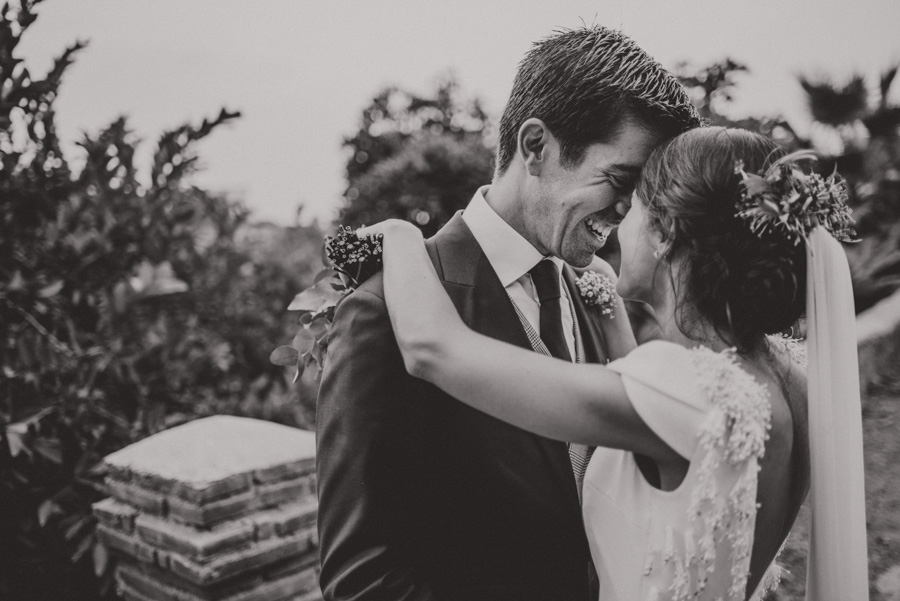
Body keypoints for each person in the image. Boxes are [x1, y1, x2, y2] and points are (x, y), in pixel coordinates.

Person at [358, 126, 870, 601]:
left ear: (664, 232)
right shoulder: (789, 378)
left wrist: (401, 237)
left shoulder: (687, 387)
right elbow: (668, 467)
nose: (619, 219)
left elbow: (434, 348)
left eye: (636, 207)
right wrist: (608, 307)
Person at [315, 26, 701, 601]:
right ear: (537, 146)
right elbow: (362, 582)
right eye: (621, 180)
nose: (629, 210)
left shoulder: (596, 295)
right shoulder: (382, 311)